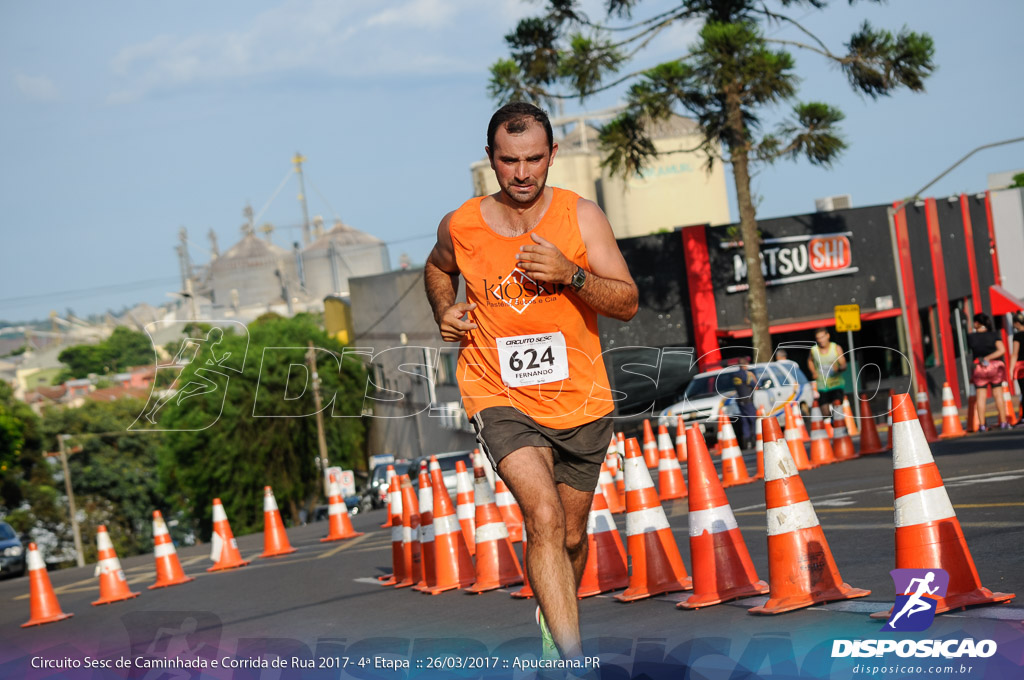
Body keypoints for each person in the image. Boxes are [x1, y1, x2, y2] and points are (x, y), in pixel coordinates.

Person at [424, 102, 638, 662]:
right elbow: (436, 267)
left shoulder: (581, 216)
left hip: (580, 396)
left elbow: (628, 302)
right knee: (540, 514)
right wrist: (445, 310)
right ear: (491, 159)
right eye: (510, 160)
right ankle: (572, 662)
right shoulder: (462, 224)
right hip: (497, 393)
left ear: (552, 156)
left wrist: (572, 274)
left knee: (569, 535)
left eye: (534, 160)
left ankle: (554, 619)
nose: (522, 173)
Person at [967, 313, 1009, 430]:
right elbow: (1002, 350)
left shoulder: (971, 337)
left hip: (979, 367)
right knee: (998, 394)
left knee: (981, 397)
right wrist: (989, 358)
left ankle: (982, 425)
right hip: (995, 366)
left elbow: (973, 348)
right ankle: (1004, 422)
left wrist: (983, 359)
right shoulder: (993, 335)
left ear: (976, 323)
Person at [807, 328, 847, 408]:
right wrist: (813, 372)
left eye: (822, 337)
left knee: (837, 408)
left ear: (827, 336)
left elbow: (844, 365)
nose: (821, 340)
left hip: (836, 385)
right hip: (822, 386)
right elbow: (809, 361)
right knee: (825, 412)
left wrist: (838, 369)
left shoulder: (836, 348)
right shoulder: (814, 350)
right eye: (818, 338)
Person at [730, 363, 757, 449]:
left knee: (745, 422)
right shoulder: (746, 374)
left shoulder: (735, 375)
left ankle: (746, 443)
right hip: (748, 401)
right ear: (745, 365)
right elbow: (755, 386)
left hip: (740, 402)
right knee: (753, 421)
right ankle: (754, 441)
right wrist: (753, 376)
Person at [1011, 312, 1024, 427]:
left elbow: (1014, 354)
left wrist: (1011, 369)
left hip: (1022, 366)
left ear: (1017, 323)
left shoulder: (1017, 336)